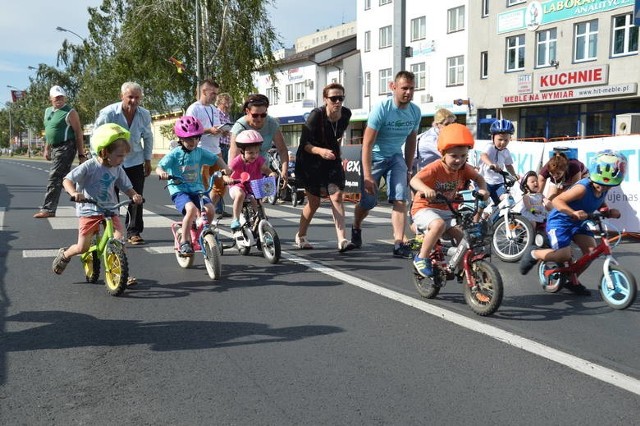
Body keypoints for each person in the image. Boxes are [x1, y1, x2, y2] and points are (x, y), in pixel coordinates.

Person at [519, 150, 627, 296]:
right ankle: (534, 253)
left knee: (591, 252)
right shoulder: (582, 188)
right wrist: (572, 213)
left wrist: (607, 211)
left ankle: (572, 280)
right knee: (563, 255)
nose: (605, 188)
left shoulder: (603, 188)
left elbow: (599, 202)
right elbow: (557, 201)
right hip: (560, 221)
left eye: (608, 186)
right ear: (595, 177)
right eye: (602, 185)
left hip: (579, 223)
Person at [51, 123, 143, 275]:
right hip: (89, 210)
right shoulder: (89, 166)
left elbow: (126, 186)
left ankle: (121, 274)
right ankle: (65, 254)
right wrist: (74, 193)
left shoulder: (117, 169)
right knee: (83, 248)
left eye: (124, 156)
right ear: (105, 152)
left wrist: (134, 195)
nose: (122, 159)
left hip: (110, 209)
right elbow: (67, 180)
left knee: (119, 240)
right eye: (119, 155)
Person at [351, 70, 422, 258]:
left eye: (412, 89)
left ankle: (399, 241)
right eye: (404, 88)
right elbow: (367, 143)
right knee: (368, 202)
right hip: (374, 157)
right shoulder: (382, 108)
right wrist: (367, 176)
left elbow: (411, 141)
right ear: (393, 87)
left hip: (395, 157)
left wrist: (408, 168)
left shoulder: (415, 112)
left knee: (400, 198)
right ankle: (356, 226)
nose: (408, 92)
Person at [409, 124, 489, 277]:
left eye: (463, 156)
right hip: (424, 208)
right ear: (443, 154)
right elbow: (414, 180)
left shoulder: (464, 168)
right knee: (438, 225)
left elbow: (479, 178)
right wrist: (426, 189)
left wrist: (483, 189)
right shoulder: (435, 168)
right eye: (454, 156)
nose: (459, 160)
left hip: (446, 210)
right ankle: (421, 257)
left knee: (463, 235)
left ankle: (463, 270)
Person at [156, 116, 232, 256]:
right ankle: (185, 241)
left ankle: (200, 233)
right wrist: (162, 173)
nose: (193, 141)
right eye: (189, 138)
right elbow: (160, 166)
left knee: (210, 210)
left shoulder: (199, 152)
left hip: (197, 189)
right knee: (190, 209)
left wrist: (225, 168)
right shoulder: (175, 154)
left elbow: (216, 158)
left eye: (196, 138)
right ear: (180, 138)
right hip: (179, 190)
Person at [294, 83, 356, 252]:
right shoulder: (316, 115)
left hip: (331, 156)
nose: (337, 101)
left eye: (340, 98)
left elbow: (339, 133)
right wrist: (320, 151)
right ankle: (301, 235)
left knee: (336, 195)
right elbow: (304, 144)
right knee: (314, 203)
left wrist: (337, 148)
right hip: (310, 159)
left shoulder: (346, 114)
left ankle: (342, 239)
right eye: (333, 98)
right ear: (325, 99)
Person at [95, 82, 153, 245]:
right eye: (130, 97)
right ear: (122, 97)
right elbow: (96, 134)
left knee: (136, 196)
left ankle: (134, 231)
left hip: (135, 159)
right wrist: (98, 157)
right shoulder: (109, 113)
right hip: (110, 161)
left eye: (137, 98)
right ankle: (110, 229)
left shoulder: (144, 114)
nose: (133, 101)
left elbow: (148, 137)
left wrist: (148, 159)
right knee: (109, 195)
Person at [34, 85, 88, 218]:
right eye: (57, 97)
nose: (59, 99)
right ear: (50, 99)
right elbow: (49, 132)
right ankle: (88, 202)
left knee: (54, 177)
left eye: (61, 97)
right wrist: (47, 148)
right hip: (55, 147)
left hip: (66, 147)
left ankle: (48, 209)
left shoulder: (70, 112)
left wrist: (81, 154)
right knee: (66, 180)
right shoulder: (48, 111)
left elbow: (78, 133)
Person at [186, 79, 230, 217]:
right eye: (213, 93)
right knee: (203, 186)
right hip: (200, 151)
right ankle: (200, 213)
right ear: (204, 91)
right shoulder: (194, 108)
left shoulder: (213, 109)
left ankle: (207, 209)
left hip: (216, 151)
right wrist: (208, 130)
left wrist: (223, 131)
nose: (215, 97)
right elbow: (188, 131)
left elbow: (216, 126)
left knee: (221, 185)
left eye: (216, 94)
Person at [229, 93, 288, 180]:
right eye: (255, 115)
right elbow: (234, 158)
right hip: (243, 171)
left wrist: (284, 171)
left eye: (263, 115)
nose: (259, 119)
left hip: (262, 168)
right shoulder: (239, 127)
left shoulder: (272, 124)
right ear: (247, 111)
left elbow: (282, 149)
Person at [227, 130, 277, 231]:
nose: (254, 155)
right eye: (250, 153)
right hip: (237, 186)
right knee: (240, 195)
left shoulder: (258, 160)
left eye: (256, 152)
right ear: (242, 151)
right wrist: (228, 179)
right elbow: (227, 171)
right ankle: (235, 219)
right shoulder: (237, 161)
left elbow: (265, 169)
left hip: (252, 187)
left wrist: (271, 173)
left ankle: (261, 220)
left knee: (257, 201)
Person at [413, 108, 456, 174]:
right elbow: (449, 157)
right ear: (437, 125)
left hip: (427, 169)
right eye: (447, 124)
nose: (450, 127)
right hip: (413, 170)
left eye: (452, 123)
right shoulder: (431, 139)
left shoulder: (441, 134)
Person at [215, 92, 234, 163]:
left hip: (226, 145)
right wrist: (222, 131)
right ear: (219, 103)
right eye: (225, 103)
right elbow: (214, 128)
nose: (228, 105)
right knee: (219, 169)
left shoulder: (227, 115)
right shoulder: (216, 113)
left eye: (229, 103)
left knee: (225, 168)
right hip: (219, 145)